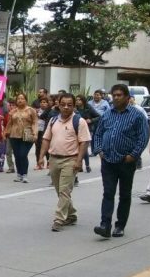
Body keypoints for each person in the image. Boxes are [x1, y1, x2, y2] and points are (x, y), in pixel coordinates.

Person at [92, 84, 150, 239]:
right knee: (108, 192)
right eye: (114, 95)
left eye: (119, 95)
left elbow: (143, 137)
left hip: (126, 161)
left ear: (127, 97)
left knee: (124, 194)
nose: (116, 98)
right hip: (108, 160)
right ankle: (105, 225)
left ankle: (120, 225)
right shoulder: (107, 114)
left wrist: (133, 155)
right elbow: (98, 134)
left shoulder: (137, 115)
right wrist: (99, 151)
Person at [37, 93, 91, 232]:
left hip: (70, 159)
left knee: (64, 191)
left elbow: (84, 142)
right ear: (58, 105)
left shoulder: (79, 121)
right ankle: (71, 214)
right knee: (60, 191)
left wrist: (79, 161)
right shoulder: (53, 120)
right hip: (54, 159)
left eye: (70, 105)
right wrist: (41, 157)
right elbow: (46, 139)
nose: (66, 107)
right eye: (63, 105)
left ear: (74, 106)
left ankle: (59, 219)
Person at [4, 92, 38, 183]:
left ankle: (24, 174)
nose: (20, 100)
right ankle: (19, 174)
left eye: (22, 98)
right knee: (17, 155)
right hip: (14, 135)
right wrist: (5, 133)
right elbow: (9, 123)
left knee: (23, 154)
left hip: (27, 135)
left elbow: (35, 122)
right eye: (18, 99)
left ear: (26, 100)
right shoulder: (13, 111)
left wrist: (35, 133)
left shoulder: (31, 110)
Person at [74, 95, 101, 173]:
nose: (77, 101)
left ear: (83, 101)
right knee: (78, 148)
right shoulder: (75, 108)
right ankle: (80, 166)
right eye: (76, 100)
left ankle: (87, 165)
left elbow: (99, 116)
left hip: (87, 129)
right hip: (77, 129)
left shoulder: (88, 107)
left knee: (84, 147)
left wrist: (91, 120)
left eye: (79, 100)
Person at [35, 96, 52, 169]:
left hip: (45, 131)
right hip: (37, 130)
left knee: (46, 147)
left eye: (44, 102)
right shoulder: (36, 111)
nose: (43, 104)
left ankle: (49, 162)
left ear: (48, 104)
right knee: (38, 147)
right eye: (41, 102)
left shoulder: (50, 111)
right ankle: (39, 163)